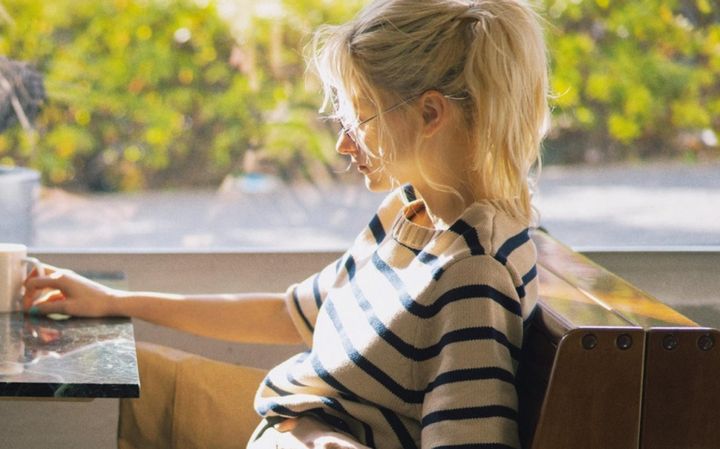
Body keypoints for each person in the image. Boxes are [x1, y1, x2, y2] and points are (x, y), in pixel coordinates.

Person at [24, 0, 549, 447]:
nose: (343, 144)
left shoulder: (471, 274)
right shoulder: (409, 214)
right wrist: (114, 302)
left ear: (430, 114)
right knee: (138, 372)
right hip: (283, 424)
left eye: (360, 119)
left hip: (290, 431)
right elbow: (291, 312)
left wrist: (320, 438)